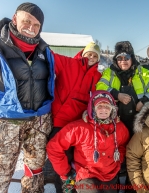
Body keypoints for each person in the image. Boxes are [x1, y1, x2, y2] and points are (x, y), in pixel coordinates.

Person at [0, 3, 54, 193]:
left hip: (39, 121)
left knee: (35, 172)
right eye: (26, 21)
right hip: (7, 121)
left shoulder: (44, 50)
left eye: (36, 25)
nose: (31, 28)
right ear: (15, 19)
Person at [46, 90, 130, 193]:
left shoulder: (119, 128)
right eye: (99, 106)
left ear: (112, 109)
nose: (103, 110)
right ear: (93, 108)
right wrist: (65, 172)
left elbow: (124, 145)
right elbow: (54, 147)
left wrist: (118, 159)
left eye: (107, 106)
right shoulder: (79, 127)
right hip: (87, 175)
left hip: (110, 174)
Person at [49, 42, 102, 192]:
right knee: (61, 159)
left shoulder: (98, 76)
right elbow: (49, 56)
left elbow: (101, 97)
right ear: (83, 53)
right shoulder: (69, 63)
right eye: (89, 53)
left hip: (80, 124)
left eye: (95, 55)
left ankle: (76, 186)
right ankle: (63, 189)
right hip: (60, 121)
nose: (91, 57)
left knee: (76, 160)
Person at [96, 41, 149, 137]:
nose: (123, 61)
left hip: (138, 120)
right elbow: (100, 87)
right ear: (116, 60)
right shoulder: (109, 72)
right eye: (119, 58)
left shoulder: (141, 72)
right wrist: (117, 95)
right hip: (115, 120)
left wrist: (143, 101)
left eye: (126, 58)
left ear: (132, 58)